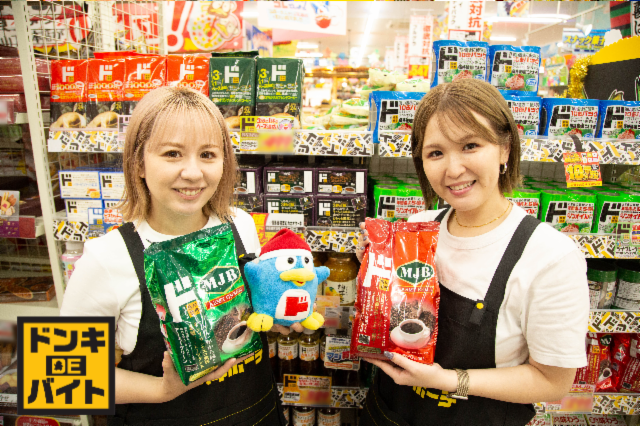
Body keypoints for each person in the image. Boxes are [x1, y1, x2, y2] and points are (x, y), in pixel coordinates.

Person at [356, 79, 589, 425]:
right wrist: (374, 272)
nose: (453, 170)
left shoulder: (551, 257)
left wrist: (449, 381)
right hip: (388, 412)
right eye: (436, 153)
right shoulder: (417, 228)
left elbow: (552, 382)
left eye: (470, 146)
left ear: (505, 149)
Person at [61, 87, 289, 425]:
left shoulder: (240, 224)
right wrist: (161, 390)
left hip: (258, 412)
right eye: (172, 153)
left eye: (208, 154)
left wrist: (280, 316)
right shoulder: (106, 257)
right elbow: (61, 378)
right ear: (139, 163)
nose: (193, 173)